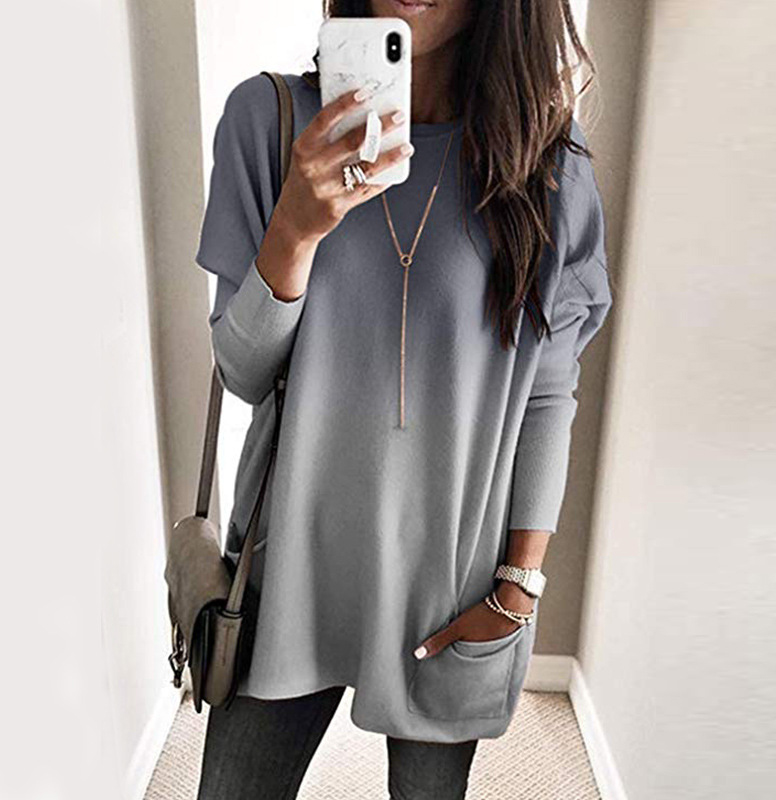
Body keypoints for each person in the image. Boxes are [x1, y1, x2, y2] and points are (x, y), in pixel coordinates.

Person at [195, 1, 613, 797]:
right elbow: (243, 373)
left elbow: (548, 392)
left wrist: (518, 589)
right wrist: (295, 230)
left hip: (452, 585)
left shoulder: (547, 158)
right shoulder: (269, 120)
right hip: (287, 568)